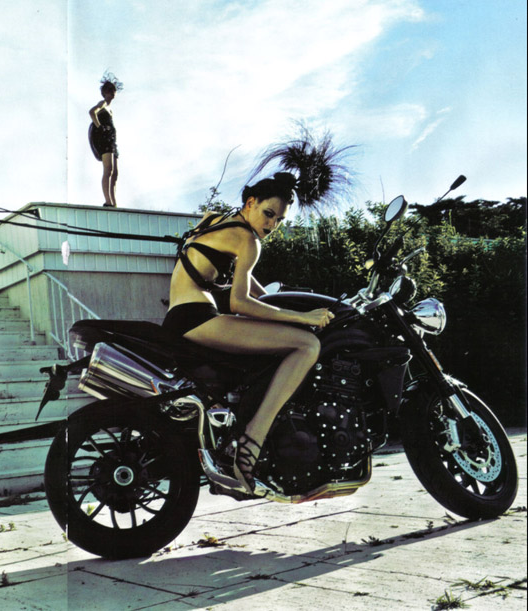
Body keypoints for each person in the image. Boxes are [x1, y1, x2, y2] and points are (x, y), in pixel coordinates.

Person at [162, 133, 351, 494]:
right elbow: (240, 303)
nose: (272, 225)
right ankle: (252, 441)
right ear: (250, 203)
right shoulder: (247, 240)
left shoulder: (215, 220)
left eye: (279, 220)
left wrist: (286, 303)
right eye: (268, 214)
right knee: (307, 345)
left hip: (182, 315)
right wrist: (303, 318)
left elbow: (248, 286)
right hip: (199, 318)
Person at [88, 72, 123, 207]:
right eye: (109, 90)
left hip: (112, 141)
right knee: (108, 170)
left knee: (115, 173)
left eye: (113, 90)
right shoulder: (102, 104)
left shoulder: (110, 109)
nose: (112, 92)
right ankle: (108, 201)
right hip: (105, 140)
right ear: (105, 92)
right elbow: (92, 112)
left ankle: (113, 202)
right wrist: (100, 127)